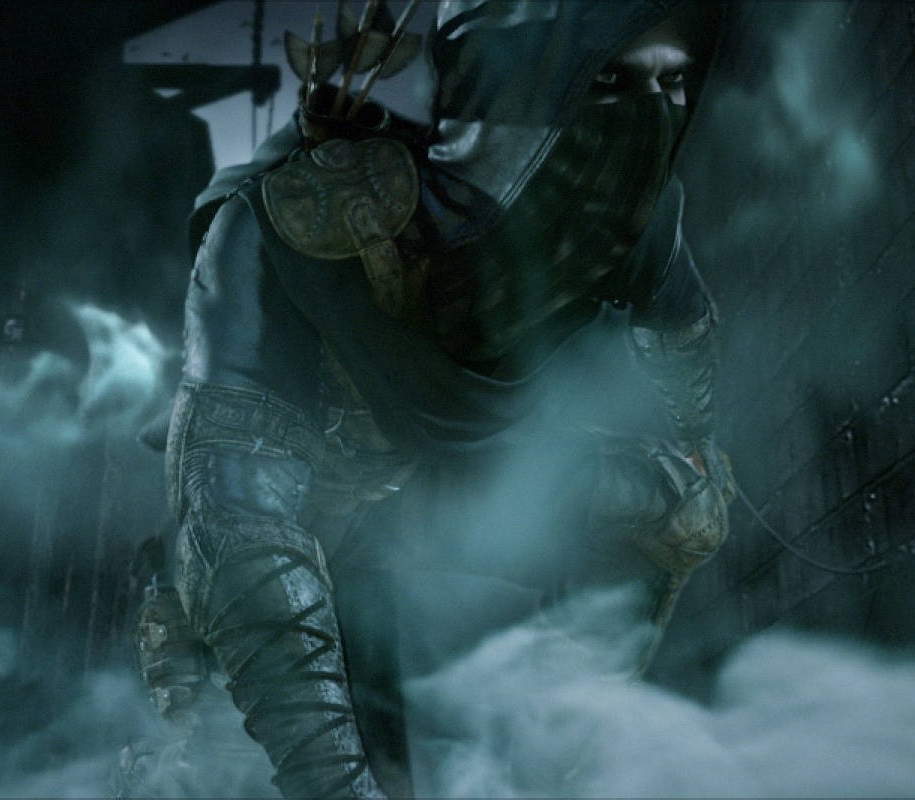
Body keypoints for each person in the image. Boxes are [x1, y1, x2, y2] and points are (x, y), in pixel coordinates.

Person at [133, 2, 733, 796]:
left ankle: (554, 746)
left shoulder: (637, 214)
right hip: (323, 491)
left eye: (673, 83)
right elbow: (236, 521)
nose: (647, 118)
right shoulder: (292, 224)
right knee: (227, 677)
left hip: (488, 487)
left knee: (689, 506)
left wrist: (695, 436)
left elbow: (685, 344)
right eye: (608, 80)